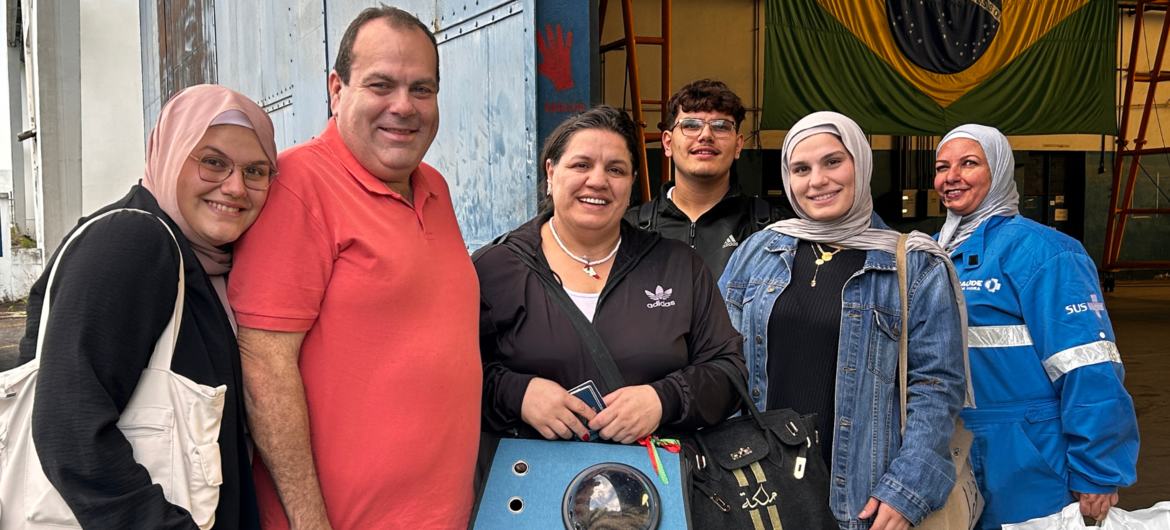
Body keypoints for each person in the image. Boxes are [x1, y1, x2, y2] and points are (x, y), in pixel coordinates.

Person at [227, 6, 481, 530]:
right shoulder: (300, 185)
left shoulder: (435, 185)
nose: (403, 107)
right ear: (336, 89)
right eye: (381, 85)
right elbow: (264, 370)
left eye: (422, 89)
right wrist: (308, 521)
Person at [18, 84, 275, 529]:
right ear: (171, 151)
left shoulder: (205, 262)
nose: (235, 188)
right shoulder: (133, 243)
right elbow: (69, 428)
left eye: (256, 171)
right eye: (213, 162)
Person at [719, 111, 967, 530]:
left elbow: (936, 387)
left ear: (862, 163)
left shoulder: (915, 264)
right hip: (760, 486)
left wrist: (906, 490)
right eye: (801, 168)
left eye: (833, 161)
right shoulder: (758, 251)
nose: (817, 180)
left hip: (863, 497)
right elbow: (721, 362)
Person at [475, 105, 745, 447]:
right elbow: (447, 377)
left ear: (632, 183)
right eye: (581, 165)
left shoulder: (678, 266)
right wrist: (518, 393)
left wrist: (664, 399)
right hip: (528, 485)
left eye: (615, 169)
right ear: (551, 172)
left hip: (656, 483)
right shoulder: (495, 269)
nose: (598, 181)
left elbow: (729, 373)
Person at [933, 124, 1139, 528]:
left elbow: (1088, 365)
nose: (951, 176)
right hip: (950, 450)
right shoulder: (931, 253)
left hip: (1029, 456)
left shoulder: (1045, 253)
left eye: (969, 163)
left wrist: (1098, 468)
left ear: (999, 170)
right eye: (942, 167)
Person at [625, 78, 790, 279]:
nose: (705, 135)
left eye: (721, 126)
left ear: (738, 145)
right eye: (691, 125)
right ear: (667, 143)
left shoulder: (772, 229)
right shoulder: (629, 229)